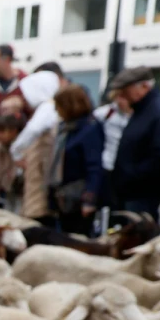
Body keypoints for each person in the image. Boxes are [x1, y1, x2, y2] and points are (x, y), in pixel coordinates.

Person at [108, 67, 160, 222]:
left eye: (126, 91)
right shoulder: (143, 109)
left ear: (144, 87)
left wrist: (132, 175)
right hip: (131, 189)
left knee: (139, 231)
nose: (122, 96)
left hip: (142, 191)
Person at [47, 85, 104, 235]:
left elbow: (94, 167)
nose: (56, 111)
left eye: (58, 106)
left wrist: (89, 200)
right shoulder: (66, 128)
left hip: (78, 198)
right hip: (63, 197)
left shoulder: (89, 129)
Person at [9, 70, 61, 224]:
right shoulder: (50, 108)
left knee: (37, 205)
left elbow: (32, 130)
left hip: (40, 166)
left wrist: (16, 151)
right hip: (42, 165)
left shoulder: (47, 108)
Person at [93, 91, 131, 213]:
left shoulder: (136, 115)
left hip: (125, 167)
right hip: (107, 164)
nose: (121, 101)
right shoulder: (104, 113)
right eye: (118, 97)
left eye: (124, 98)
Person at [0, 114, 25, 211]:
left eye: (3, 131)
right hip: (7, 191)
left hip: (23, 191)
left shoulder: (23, 146)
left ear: (14, 131)